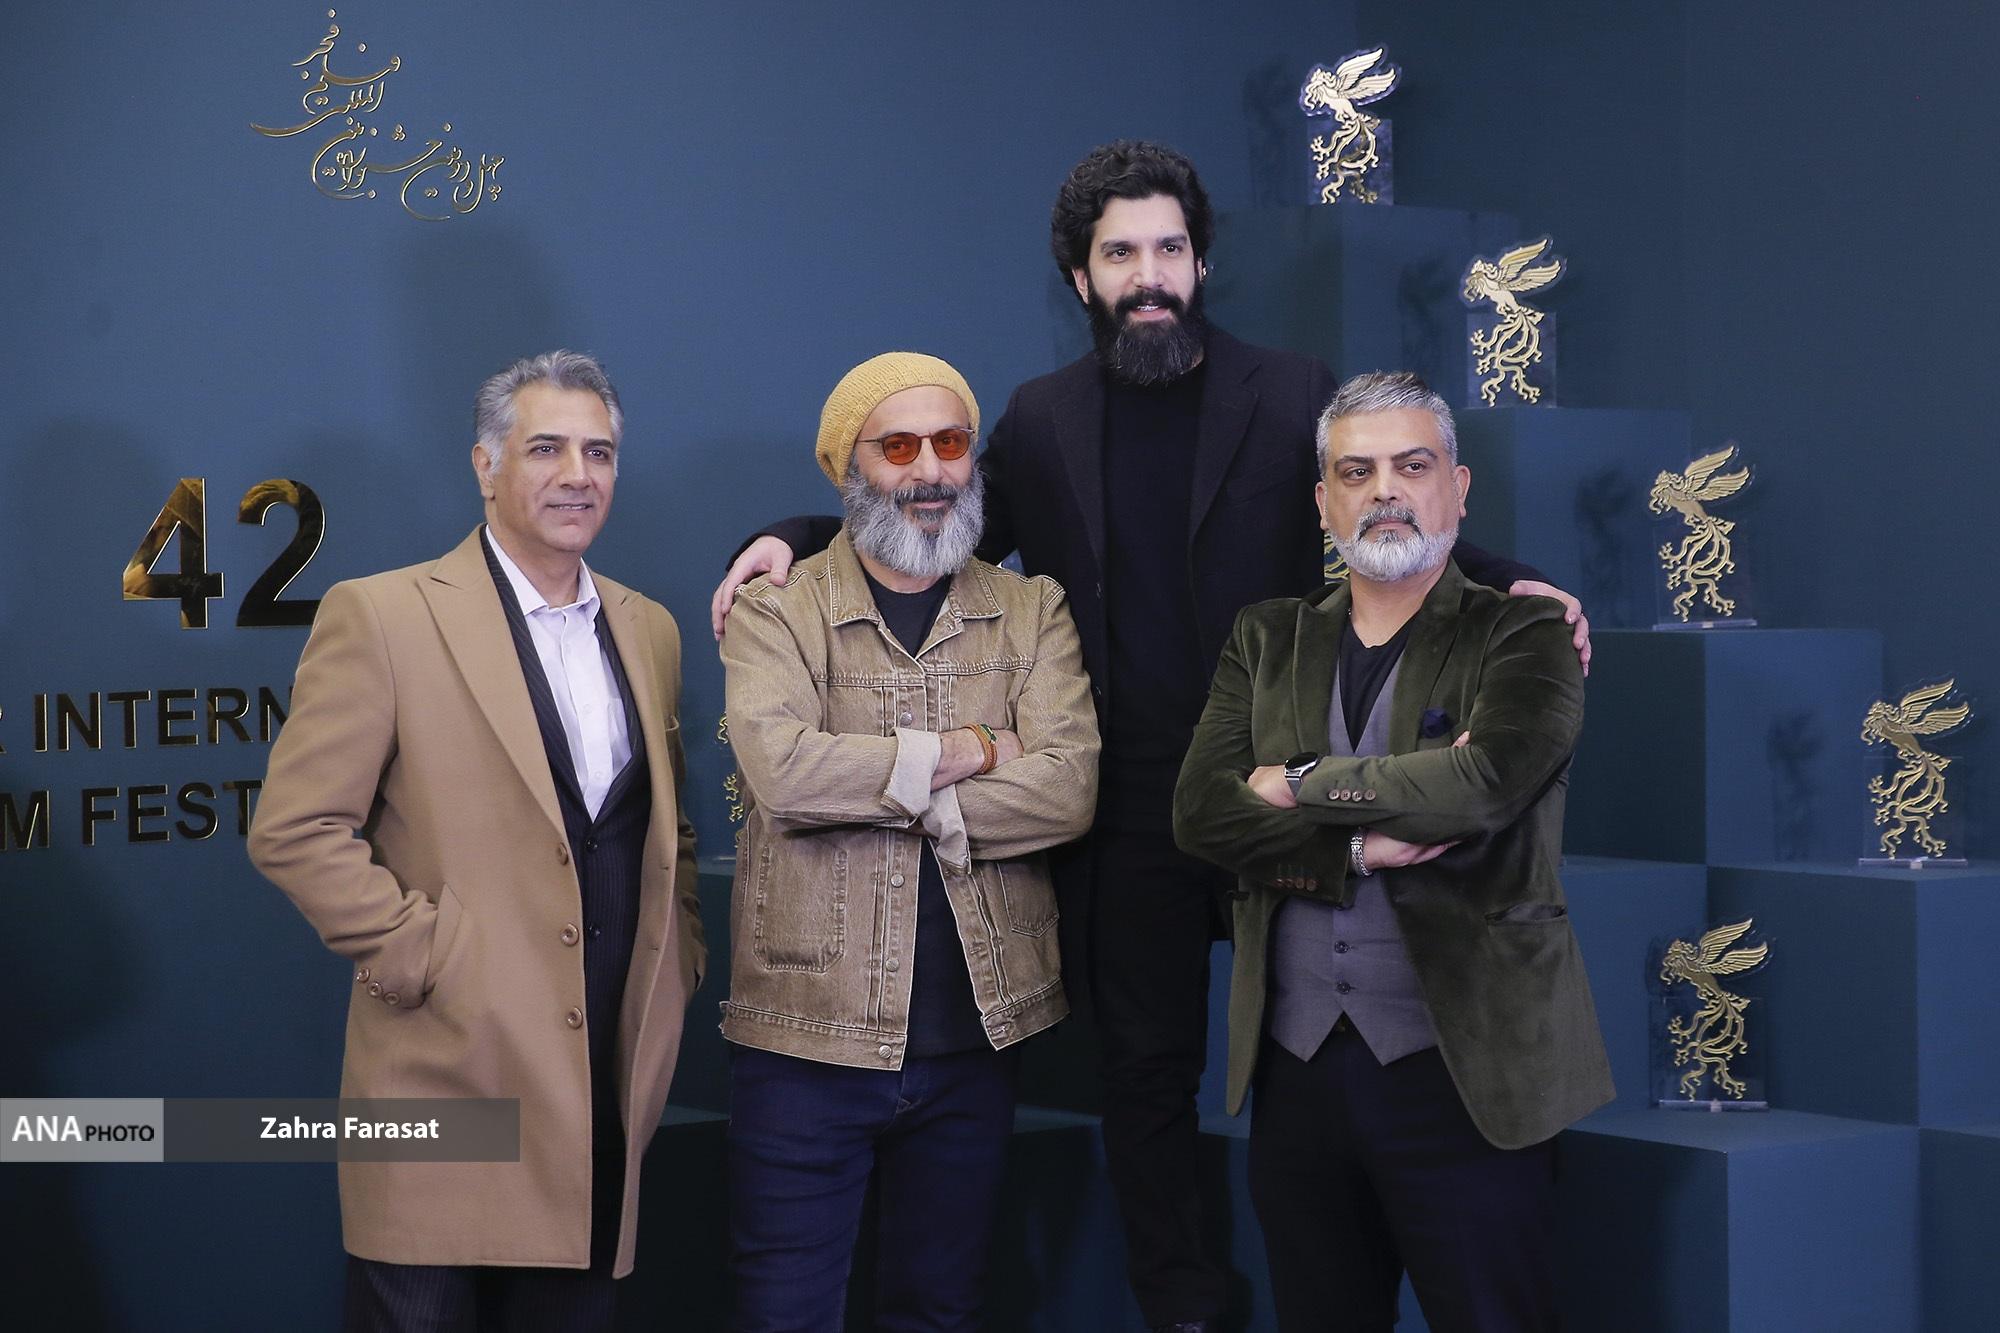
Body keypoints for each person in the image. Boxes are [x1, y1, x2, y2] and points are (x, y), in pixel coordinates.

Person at [709, 142, 1589, 1332]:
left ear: (1200, 261)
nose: (1149, 275)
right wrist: (787, 532)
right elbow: (939, 511)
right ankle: (1186, 1308)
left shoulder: (1288, 389)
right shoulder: (1041, 418)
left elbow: (1374, 501)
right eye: (1120, 253)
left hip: (1282, 788)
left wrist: (1509, 577)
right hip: (1125, 814)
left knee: (1325, 1057)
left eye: (1168, 248)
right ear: (1081, 277)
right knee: (1145, 1082)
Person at [249, 350, 704, 1331]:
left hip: (600, 1097)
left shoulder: (651, 629)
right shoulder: (383, 614)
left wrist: (681, 957)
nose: (577, 475)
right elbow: (295, 826)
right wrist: (424, 953)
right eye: (546, 449)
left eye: (598, 452)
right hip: (444, 1082)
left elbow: (664, 828)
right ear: (485, 465)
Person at [1172, 372, 1612, 1333]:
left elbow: (1483, 784)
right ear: (1323, 502)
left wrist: (1297, 779)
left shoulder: (1526, 629)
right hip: (1296, 1073)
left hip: (1470, 1071)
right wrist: (1360, 851)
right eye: (1355, 471)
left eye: (1412, 466)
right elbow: (1202, 815)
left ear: (1458, 486)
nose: (1385, 490)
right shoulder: (1265, 636)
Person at [718, 352, 1099, 1330]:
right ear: (846, 465)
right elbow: (785, 774)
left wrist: (889, 787)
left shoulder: (1033, 609)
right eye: (897, 446)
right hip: (803, 1042)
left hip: (976, 1043)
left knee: (938, 1311)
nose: (930, 469)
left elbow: (1066, 791)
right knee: (785, 1316)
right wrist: (974, 749)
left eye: (951, 441)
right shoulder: (776, 607)